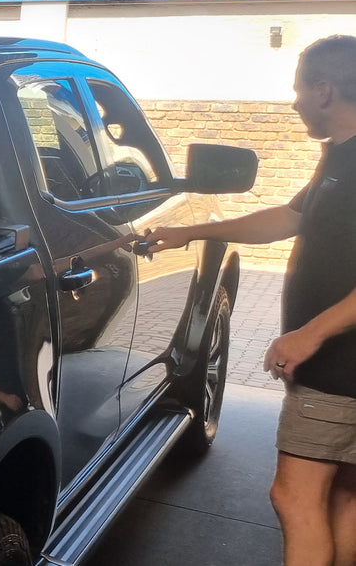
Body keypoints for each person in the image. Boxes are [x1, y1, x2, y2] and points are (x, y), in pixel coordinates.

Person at [142, 34, 356, 566]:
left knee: (293, 496)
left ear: (324, 91)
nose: (294, 102)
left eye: (299, 90)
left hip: (340, 369)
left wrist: (309, 335)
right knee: (344, 494)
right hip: (340, 366)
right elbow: (288, 218)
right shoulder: (341, 157)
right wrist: (190, 231)